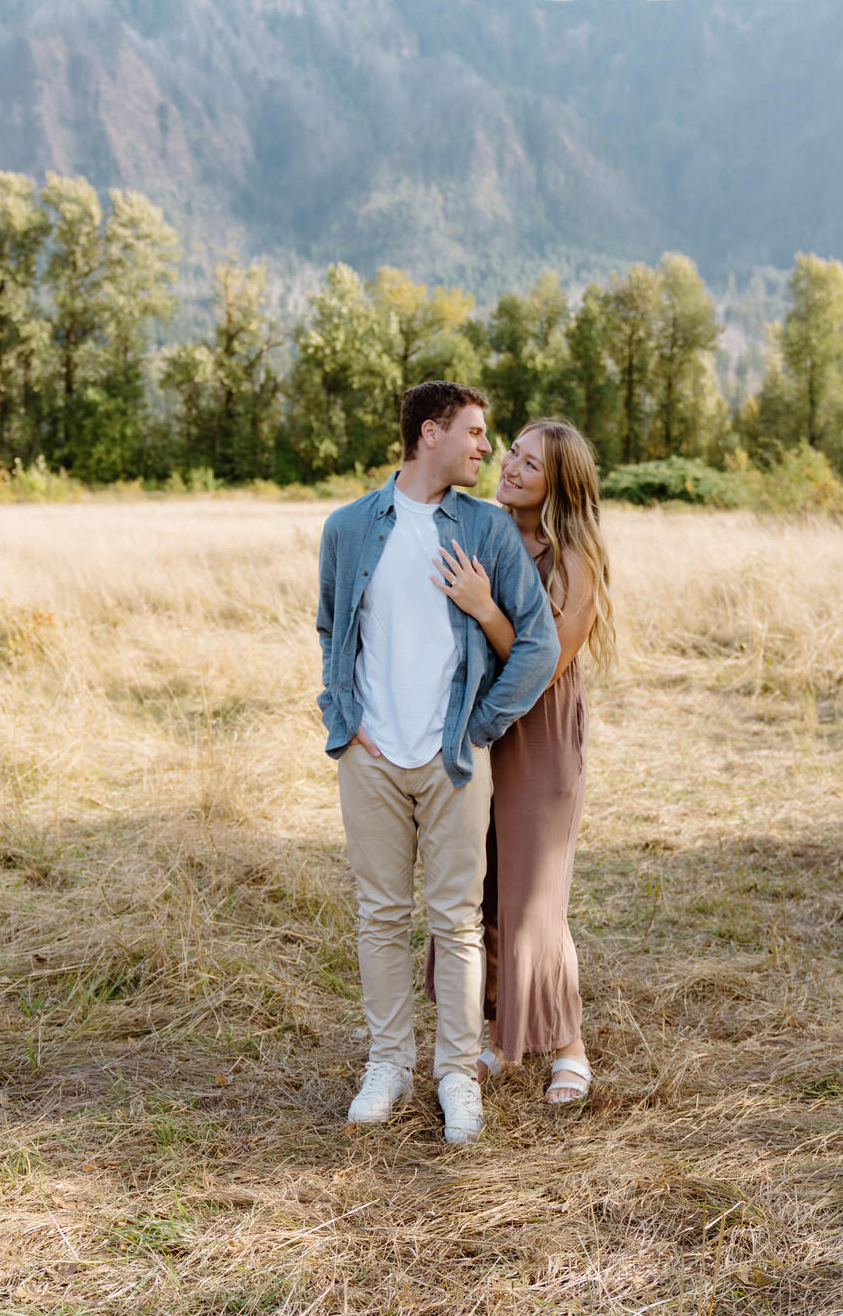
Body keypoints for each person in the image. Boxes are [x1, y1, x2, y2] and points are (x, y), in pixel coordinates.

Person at [316, 382, 560, 1144]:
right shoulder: (351, 526)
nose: (487, 449)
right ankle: (387, 1063)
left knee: (455, 923)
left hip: (452, 759)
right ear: (432, 434)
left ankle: (456, 1075)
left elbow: (539, 643)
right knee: (381, 916)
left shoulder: (485, 530)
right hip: (372, 758)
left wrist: (480, 726)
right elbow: (331, 627)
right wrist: (344, 720)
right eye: (477, 433)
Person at [429, 419, 615, 1103]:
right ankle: (501, 1041)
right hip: (482, 727)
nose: (509, 466)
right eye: (512, 452)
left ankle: (569, 1045)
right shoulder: (483, 530)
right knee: (486, 892)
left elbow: (545, 664)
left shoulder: (574, 560)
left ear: (558, 485)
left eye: (529, 464)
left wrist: (483, 609)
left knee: (536, 898)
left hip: (540, 736)